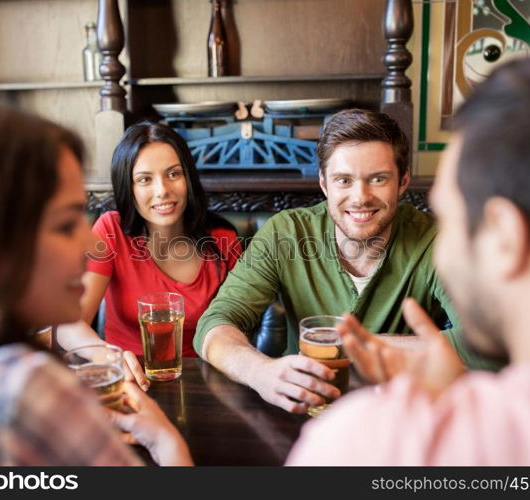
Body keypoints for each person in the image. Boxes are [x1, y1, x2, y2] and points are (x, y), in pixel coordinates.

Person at [287, 40, 530, 465]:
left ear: (506, 238)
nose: (440, 245)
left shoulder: (371, 442)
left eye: (450, 218)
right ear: (324, 184)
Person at [0, 103, 191, 466]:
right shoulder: (24, 390)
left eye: (173, 174)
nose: (85, 245)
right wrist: (169, 445)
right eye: (64, 225)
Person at [194, 108, 497, 414]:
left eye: (378, 179)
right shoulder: (285, 233)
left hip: (399, 415)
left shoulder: (436, 240)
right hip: (301, 412)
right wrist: (261, 373)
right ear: (324, 183)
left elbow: (487, 345)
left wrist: (358, 345)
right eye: (344, 180)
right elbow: (214, 326)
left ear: (403, 181)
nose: (360, 197)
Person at [56, 122, 242, 371]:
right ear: (128, 188)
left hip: (204, 378)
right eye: (144, 179)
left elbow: (236, 328)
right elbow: (69, 323)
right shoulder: (111, 230)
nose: (162, 190)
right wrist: (110, 358)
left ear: (188, 178)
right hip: (127, 377)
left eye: (173, 174)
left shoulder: (223, 240)